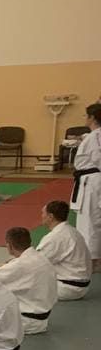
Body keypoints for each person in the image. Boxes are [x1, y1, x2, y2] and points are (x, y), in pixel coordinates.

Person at [38, 200, 92, 300]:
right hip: (80, 286)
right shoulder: (72, 231)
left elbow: (35, 263)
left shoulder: (56, 237)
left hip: (66, 288)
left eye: (43, 213)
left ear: (51, 217)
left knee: (20, 284)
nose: (41, 216)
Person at [72, 102, 101, 272]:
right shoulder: (93, 136)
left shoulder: (95, 137)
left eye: (86, 115)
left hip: (92, 181)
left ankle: (93, 260)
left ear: (92, 118)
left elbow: (98, 158)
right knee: (92, 219)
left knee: (90, 220)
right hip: (90, 179)